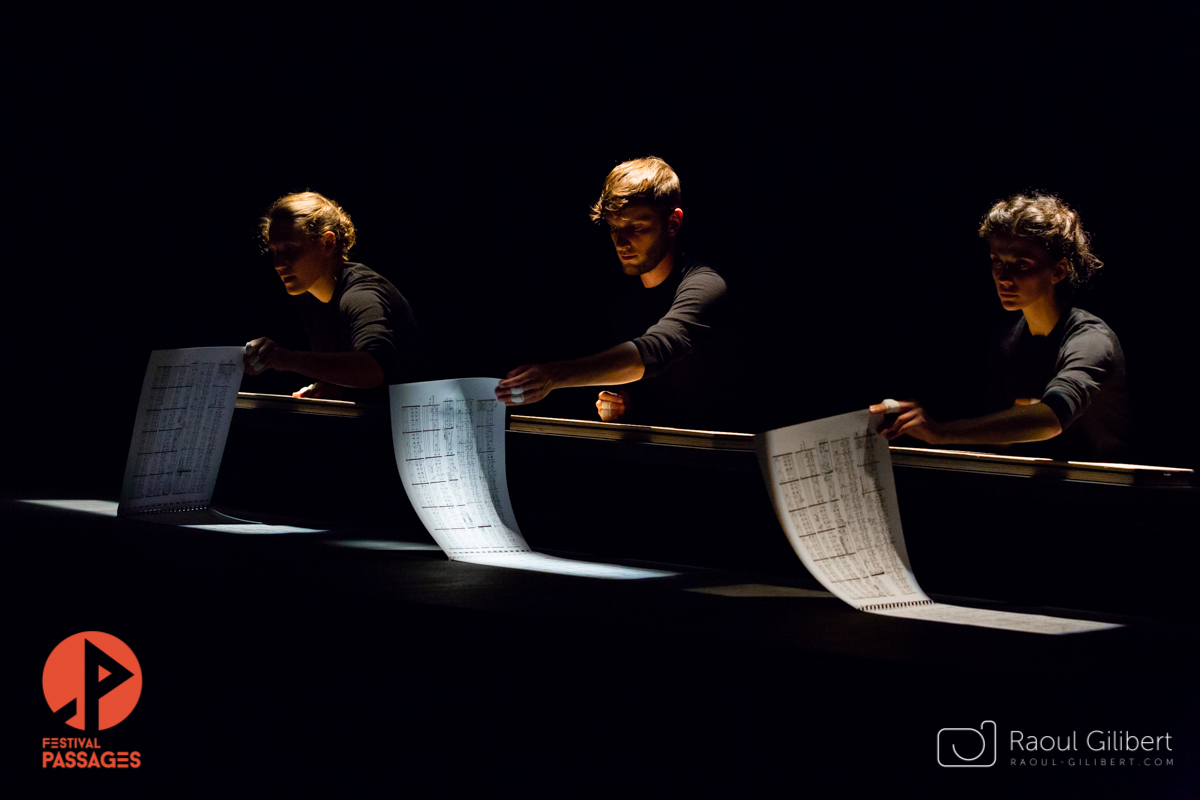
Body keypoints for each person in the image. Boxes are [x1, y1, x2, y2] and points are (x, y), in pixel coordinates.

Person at [875, 193, 1132, 461]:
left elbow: (1052, 415)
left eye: (1021, 264)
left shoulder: (1090, 339)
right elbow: (1003, 440)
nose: (1004, 277)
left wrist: (939, 433)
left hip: (1106, 494)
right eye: (997, 261)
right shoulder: (1008, 338)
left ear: (1058, 271)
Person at [494, 157, 729, 428]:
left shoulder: (707, 285)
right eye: (614, 228)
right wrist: (626, 406)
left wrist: (554, 375)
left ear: (673, 223)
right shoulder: (624, 303)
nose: (621, 242)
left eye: (636, 227)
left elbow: (659, 348)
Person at [244, 191, 419, 400]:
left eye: (290, 249)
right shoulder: (307, 293)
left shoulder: (360, 294)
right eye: (274, 251)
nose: (277, 263)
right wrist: (328, 384)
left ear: (327, 243)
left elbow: (375, 368)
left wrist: (285, 359)